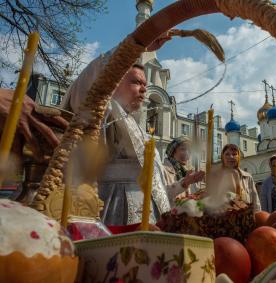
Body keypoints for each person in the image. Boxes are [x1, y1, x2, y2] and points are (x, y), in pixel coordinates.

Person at [60, 33, 187, 225]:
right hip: (116, 214)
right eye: (135, 82)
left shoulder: (140, 132)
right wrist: (137, 46)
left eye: (145, 84)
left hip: (153, 220)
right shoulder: (106, 112)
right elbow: (86, 85)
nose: (144, 89)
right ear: (113, 83)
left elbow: (158, 189)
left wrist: (185, 183)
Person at [220, 144, 261, 211]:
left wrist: (257, 218)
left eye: (234, 154)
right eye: (227, 154)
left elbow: (256, 202)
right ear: (222, 157)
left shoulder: (247, 177)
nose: (231, 157)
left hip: (246, 219)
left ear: (238, 157)